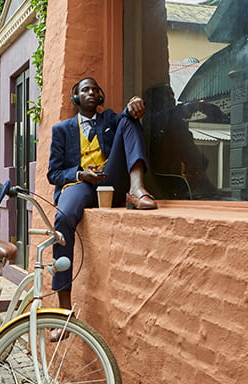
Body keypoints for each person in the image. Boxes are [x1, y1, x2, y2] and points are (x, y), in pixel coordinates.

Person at [47, 77, 157, 337]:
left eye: (95, 89)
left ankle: (137, 189)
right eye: (85, 89)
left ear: (101, 96)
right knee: (63, 219)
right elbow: (54, 173)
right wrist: (80, 174)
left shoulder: (109, 120)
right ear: (76, 97)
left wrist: (132, 106)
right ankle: (63, 312)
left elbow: (126, 117)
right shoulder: (62, 130)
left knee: (130, 120)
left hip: (111, 180)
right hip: (81, 184)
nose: (91, 93)